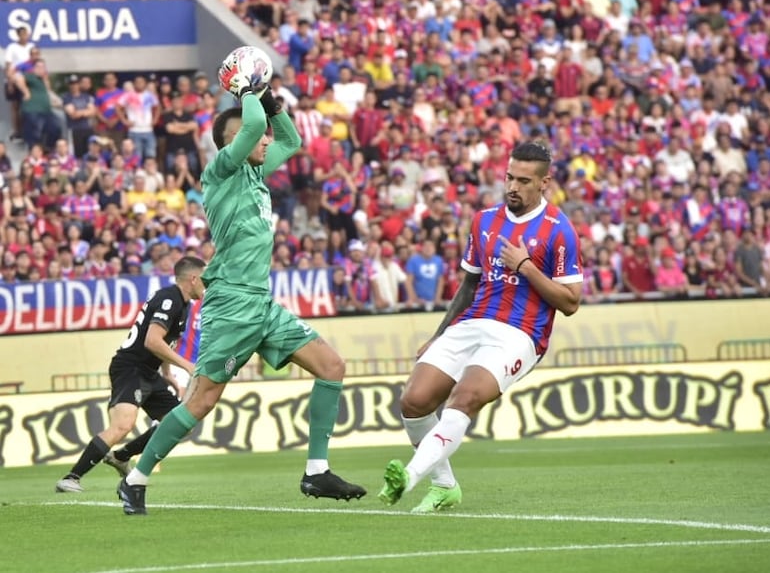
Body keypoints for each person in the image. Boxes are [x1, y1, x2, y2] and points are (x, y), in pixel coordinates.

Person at [118, 69, 366, 516]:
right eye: (256, 137)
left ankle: (316, 470)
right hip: (231, 305)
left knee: (332, 365)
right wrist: (246, 90)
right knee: (202, 401)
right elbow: (252, 127)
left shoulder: (254, 171)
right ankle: (135, 479)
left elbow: (290, 140)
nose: (266, 142)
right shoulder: (220, 172)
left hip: (261, 302)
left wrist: (267, 99)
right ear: (234, 141)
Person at [377, 142, 583, 512]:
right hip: (472, 322)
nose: (513, 187)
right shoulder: (484, 220)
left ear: (543, 183)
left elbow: (570, 302)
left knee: (465, 398)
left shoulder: (559, 230)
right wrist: (439, 334)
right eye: (509, 177)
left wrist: (526, 266)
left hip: (520, 333)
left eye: (523, 180)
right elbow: (469, 284)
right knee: (414, 401)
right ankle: (445, 486)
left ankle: (409, 476)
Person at [55, 256, 206, 493]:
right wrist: (186, 365)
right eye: (204, 279)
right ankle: (71, 478)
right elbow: (152, 341)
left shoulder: (183, 304)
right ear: (193, 278)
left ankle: (121, 456)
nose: (206, 284)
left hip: (149, 371)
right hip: (131, 367)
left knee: (178, 422)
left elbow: (167, 341)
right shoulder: (169, 299)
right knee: (123, 425)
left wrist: (167, 373)